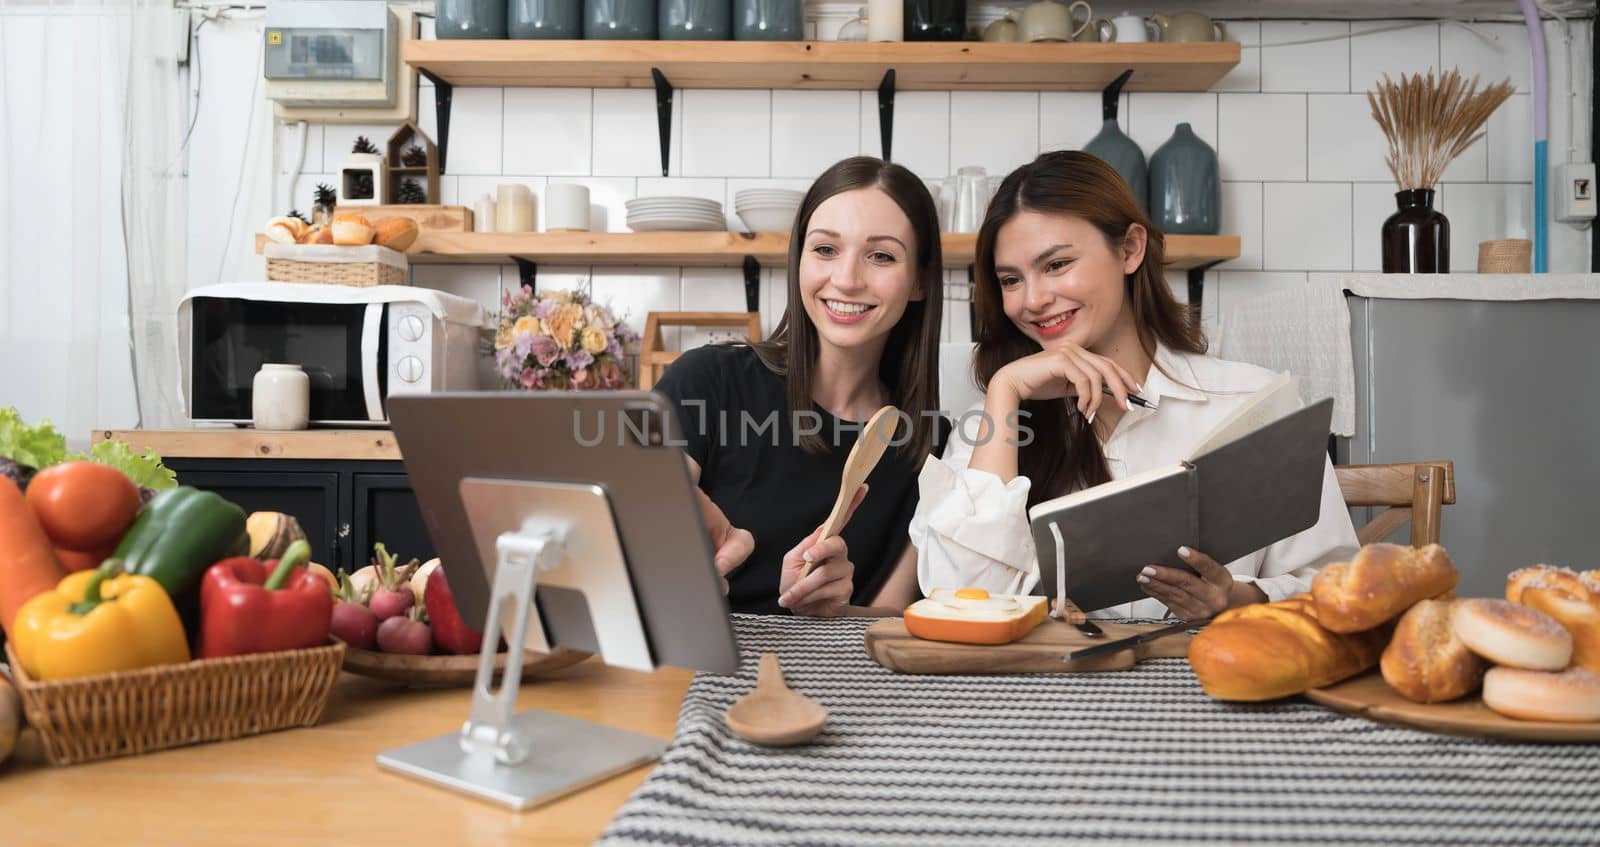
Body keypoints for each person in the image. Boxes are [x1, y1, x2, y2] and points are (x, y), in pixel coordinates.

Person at [909, 150, 1357, 621]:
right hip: (1044, 692)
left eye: (1057, 265)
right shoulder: (993, 423)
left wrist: (1235, 599)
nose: (1034, 300)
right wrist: (1004, 389)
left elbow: (1337, 587)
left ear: (1130, 249)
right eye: (1010, 279)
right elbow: (959, 602)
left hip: (1209, 684)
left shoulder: (1252, 404)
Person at [660, 156, 948, 616]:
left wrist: (835, 609)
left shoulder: (931, 443)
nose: (848, 279)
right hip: (688, 673)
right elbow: (631, 539)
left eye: (882, 256)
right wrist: (668, 549)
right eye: (825, 250)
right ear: (799, 260)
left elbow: (892, 619)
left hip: (836, 683)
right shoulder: (707, 381)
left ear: (920, 282)